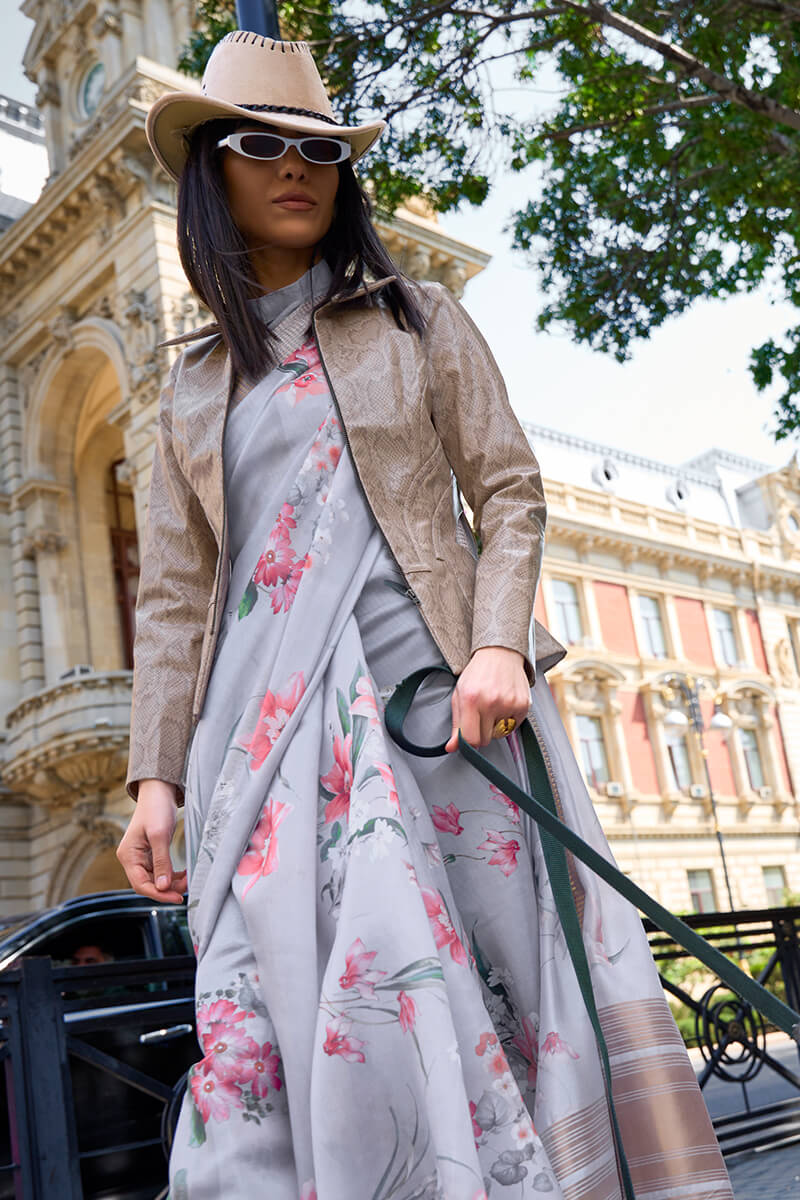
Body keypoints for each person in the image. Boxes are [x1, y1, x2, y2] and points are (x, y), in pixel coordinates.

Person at [116, 31, 732, 1200]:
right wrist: (155, 778)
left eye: (322, 151)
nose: (297, 168)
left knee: (496, 998)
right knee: (249, 1022)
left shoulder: (415, 318)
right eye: (262, 145)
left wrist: (497, 642)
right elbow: (174, 597)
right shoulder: (187, 388)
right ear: (212, 171)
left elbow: (506, 489)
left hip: (444, 716)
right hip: (263, 745)